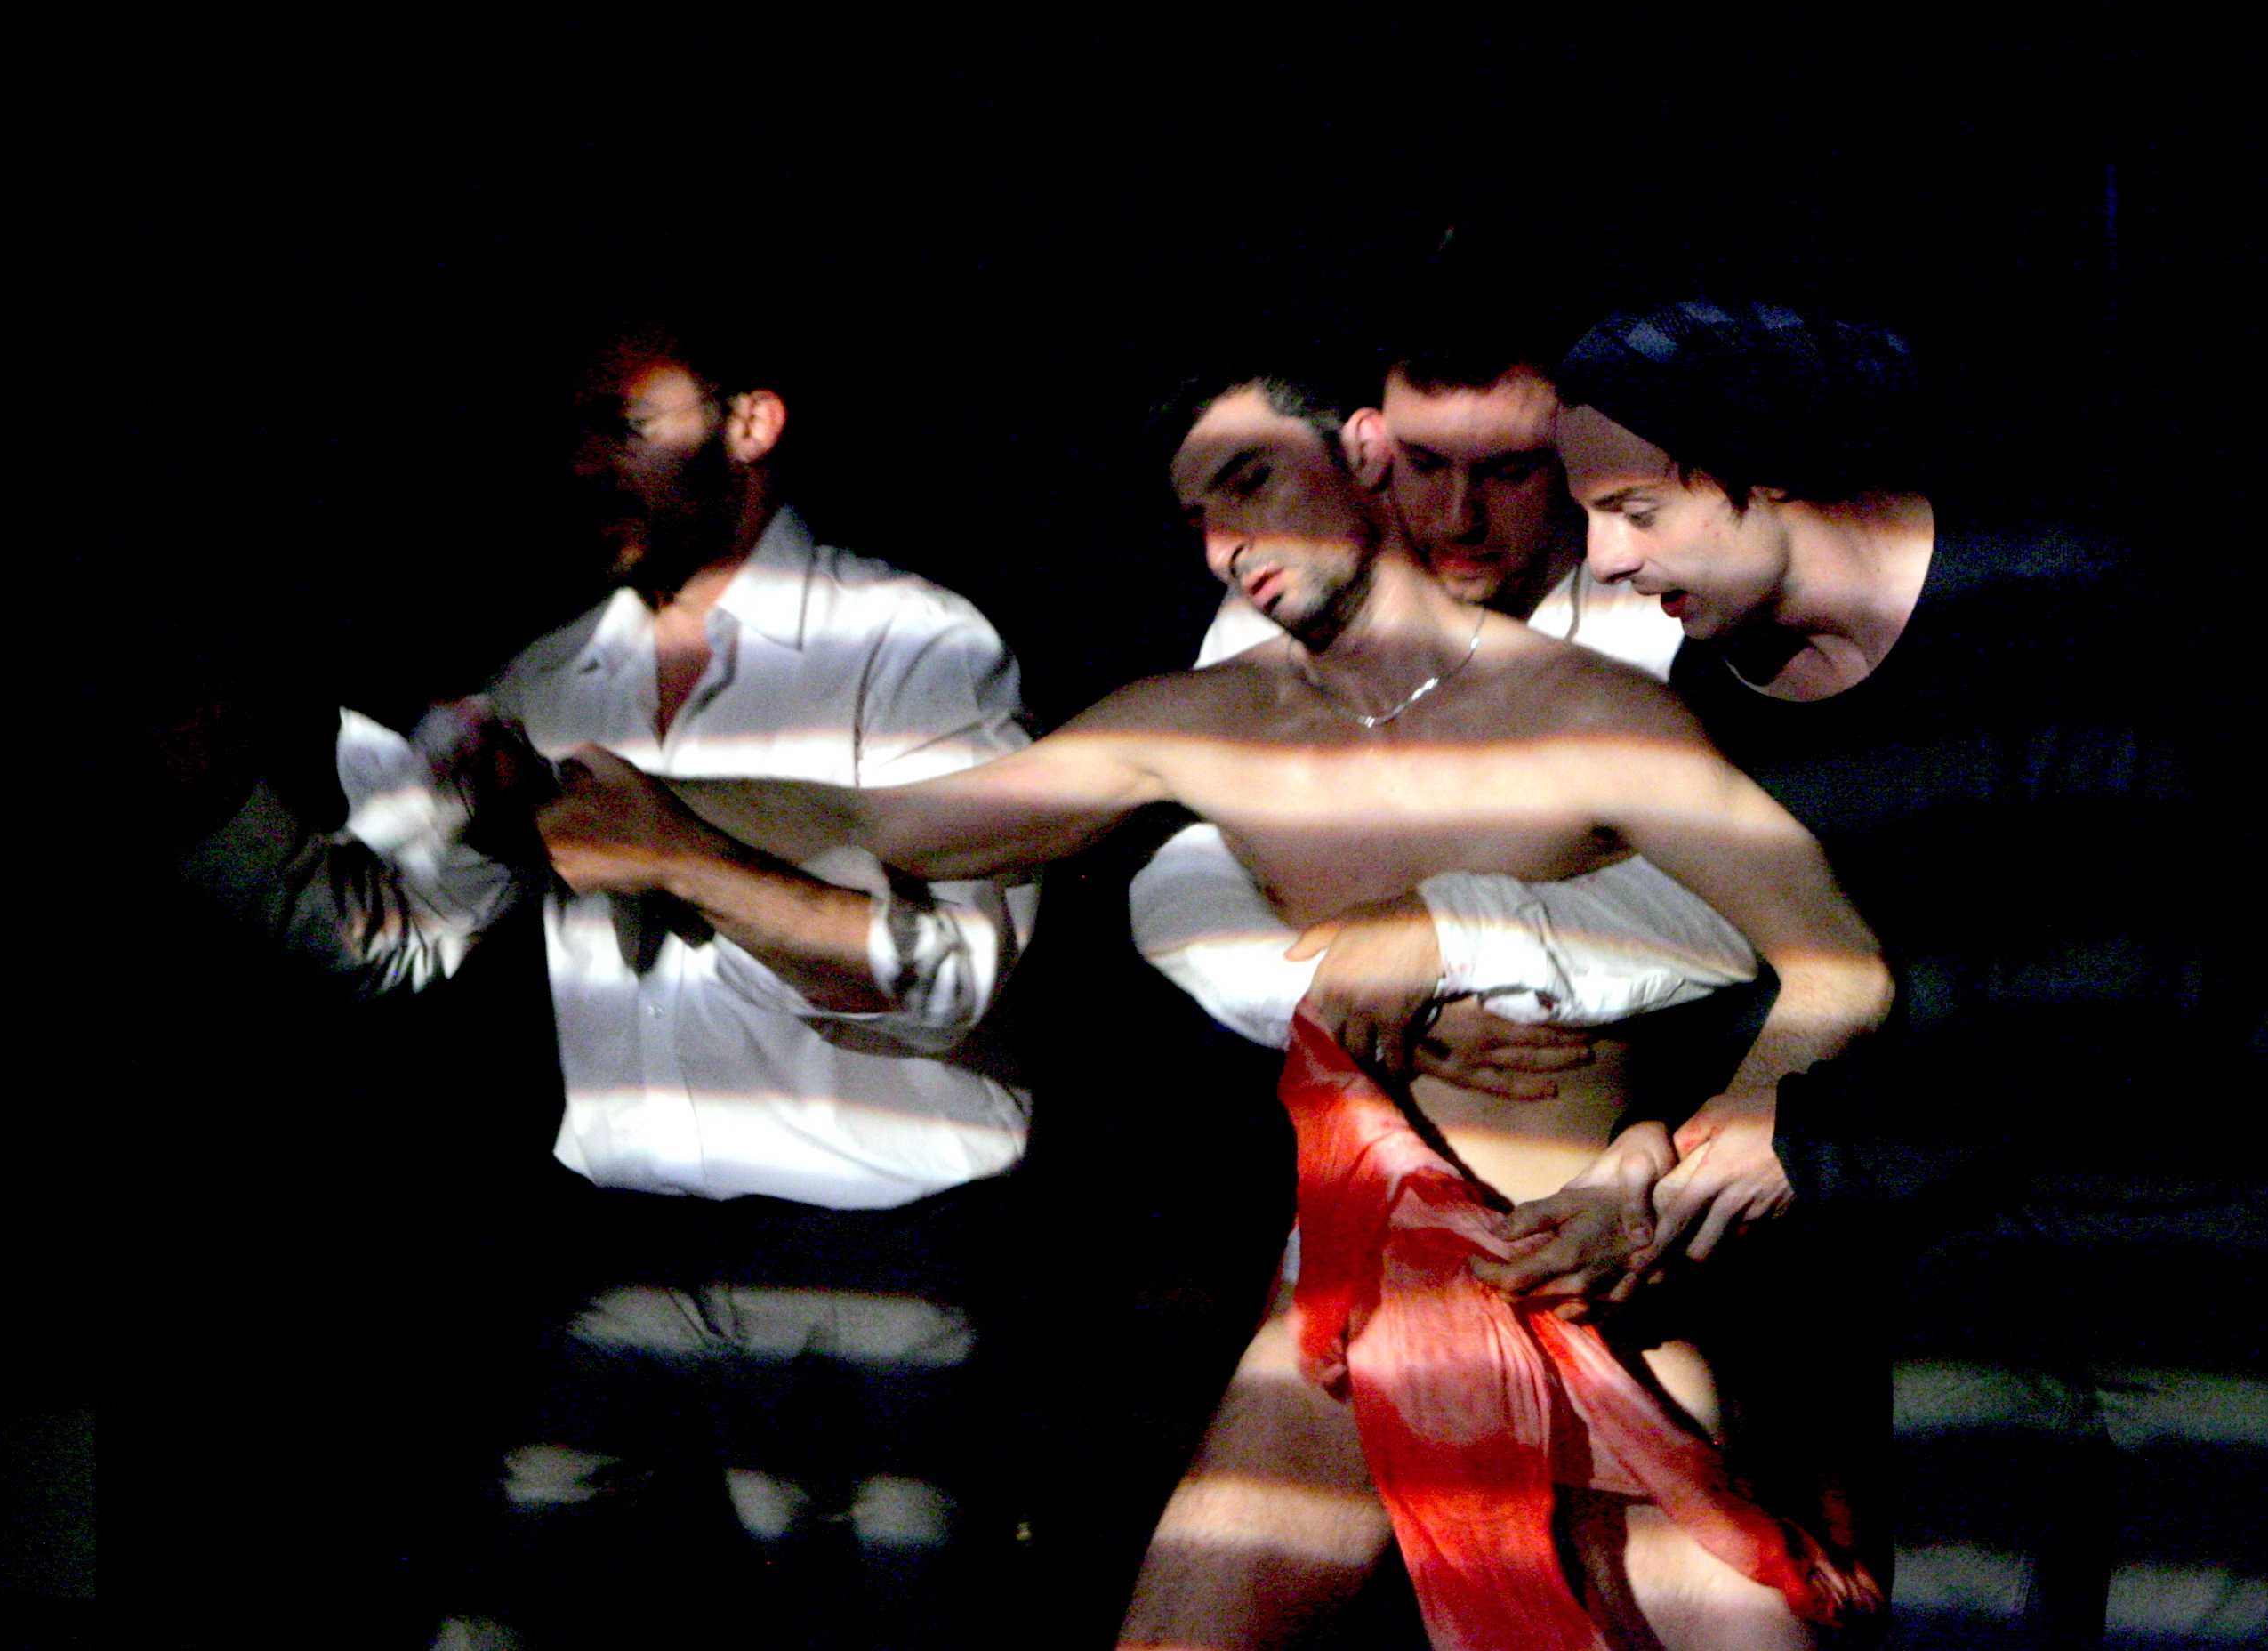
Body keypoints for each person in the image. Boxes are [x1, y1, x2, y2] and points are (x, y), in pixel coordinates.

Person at [575, 368, 1894, 1650]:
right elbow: (896, 824)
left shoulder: (1589, 710)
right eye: (1201, 512)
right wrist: (628, 801)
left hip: (1581, 1276)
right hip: (1349, 1294)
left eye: (1254, 480)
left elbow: (1840, 966)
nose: (1228, 542)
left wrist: (1679, 1168)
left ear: (1365, 457)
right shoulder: (1205, 720)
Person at [1518, 298, 2268, 1649]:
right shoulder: (1725, 693)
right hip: (1960, 1257)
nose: (1608, 560)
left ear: (1766, 465)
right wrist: (1657, 1135)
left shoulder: (2065, 605)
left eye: (1635, 509)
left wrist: (1815, 1150)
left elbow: (2130, 986)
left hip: (2208, 1244)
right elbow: (1766, 972)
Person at [183, 320, 1037, 1651]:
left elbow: (960, 980)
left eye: (621, 427)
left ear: (750, 424)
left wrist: (682, 855)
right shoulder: (547, 678)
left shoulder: (913, 644)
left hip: (879, 1275)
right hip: (633, 1262)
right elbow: (396, 945)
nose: (582, 465)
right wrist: (211, 797)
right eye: (569, 432)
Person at [1123, 342, 1779, 1646]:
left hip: (1613, 1239)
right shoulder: (1300, 600)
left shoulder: (1662, 598)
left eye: (1513, 474)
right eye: (1424, 467)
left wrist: (1459, 936)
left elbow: (1746, 911)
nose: (1459, 515)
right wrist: (1355, 983)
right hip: (1368, 1244)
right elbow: (1184, 874)